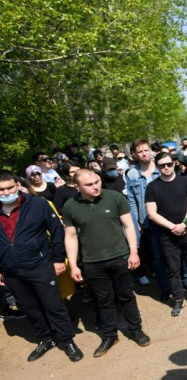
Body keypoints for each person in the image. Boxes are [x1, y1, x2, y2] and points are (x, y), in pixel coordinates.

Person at [63, 170, 151, 357]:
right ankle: (110, 335)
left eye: (97, 181)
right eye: (89, 184)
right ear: (76, 187)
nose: (96, 186)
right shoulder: (70, 206)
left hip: (120, 257)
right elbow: (70, 236)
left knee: (126, 296)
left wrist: (133, 252)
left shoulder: (114, 197)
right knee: (103, 300)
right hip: (92, 262)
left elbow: (129, 225)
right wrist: (74, 265)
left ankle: (136, 330)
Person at [0, 170, 83, 362]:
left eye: (9, 188)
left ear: (18, 185)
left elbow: (56, 232)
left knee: (54, 305)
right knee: (30, 308)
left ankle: (67, 340)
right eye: (1, 189)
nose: (5, 193)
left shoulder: (37, 204)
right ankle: (45, 338)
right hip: (11, 270)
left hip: (40, 265)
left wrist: (58, 260)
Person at [145, 152, 187, 316]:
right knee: (173, 269)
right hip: (167, 234)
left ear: (174, 163)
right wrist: (173, 226)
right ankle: (178, 298)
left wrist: (183, 224)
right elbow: (152, 213)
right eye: (162, 165)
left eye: (168, 164)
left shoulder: (184, 181)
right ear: (157, 167)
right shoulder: (152, 187)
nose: (166, 167)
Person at [126, 138, 170, 292]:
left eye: (146, 150)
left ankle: (176, 282)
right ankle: (164, 287)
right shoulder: (132, 174)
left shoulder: (162, 168)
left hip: (167, 218)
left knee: (170, 253)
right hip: (147, 221)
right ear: (134, 154)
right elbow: (131, 200)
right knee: (156, 255)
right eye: (140, 151)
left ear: (151, 151)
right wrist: (136, 220)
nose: (144, 154)